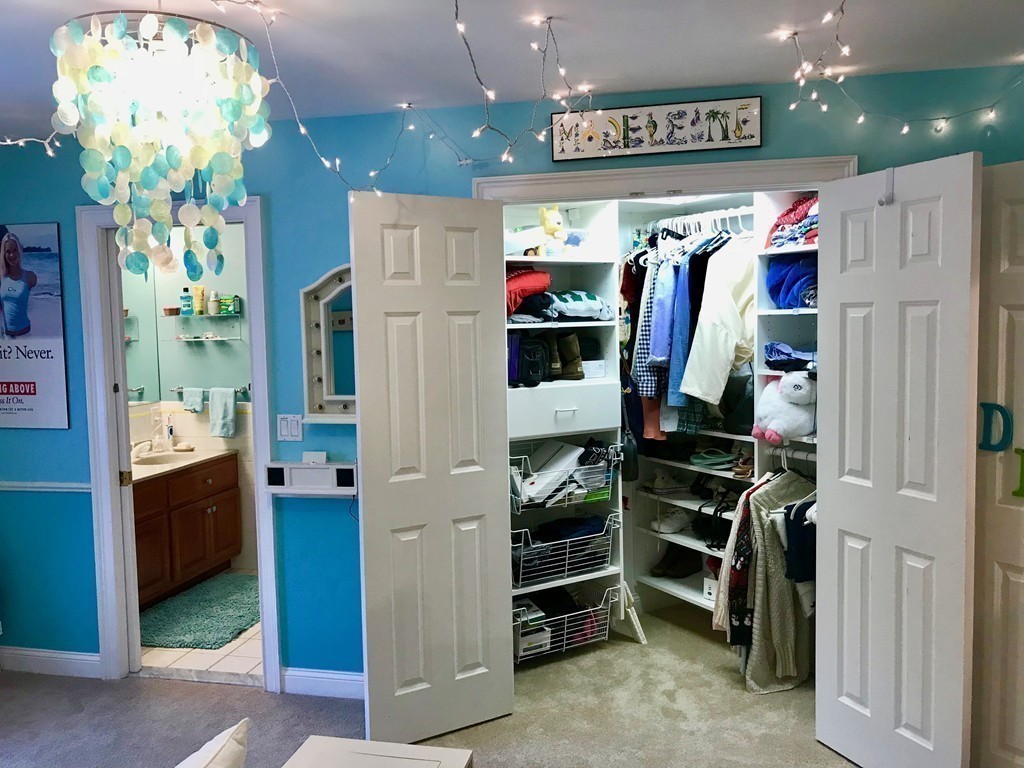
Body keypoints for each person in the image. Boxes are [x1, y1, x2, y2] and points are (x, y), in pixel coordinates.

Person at [1, 232, 37, 337]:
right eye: (8, 251)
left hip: (25, 335)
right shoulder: (1, 278)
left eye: (14, 250)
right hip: (6, 336)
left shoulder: (30, 277)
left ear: (19, 251)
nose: (12, 255)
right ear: (4, 253)